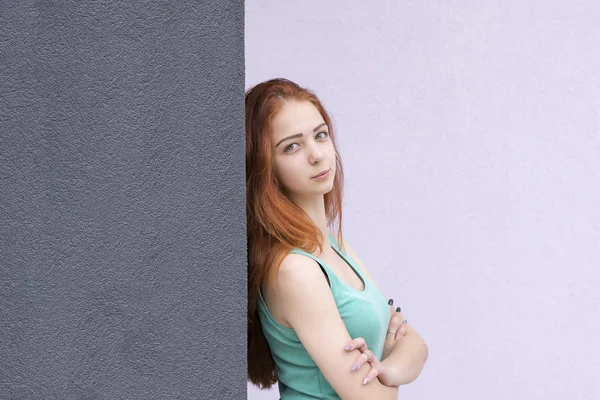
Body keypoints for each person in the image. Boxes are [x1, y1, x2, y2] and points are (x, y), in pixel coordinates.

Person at [246, 78, 428, 399]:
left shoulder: (334, 247)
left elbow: (413, 342)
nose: (316, 155)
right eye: (292, 146)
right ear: (265, 166)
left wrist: (384, 370)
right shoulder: (294, 270)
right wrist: (389, 371)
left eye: (320, 135)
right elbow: (369, 397)